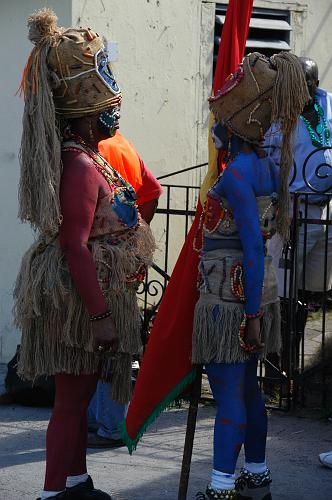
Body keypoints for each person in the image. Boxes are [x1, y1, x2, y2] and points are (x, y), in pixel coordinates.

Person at [14, 9, 155, 500]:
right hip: (78, 302)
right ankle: (54, 491)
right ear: (87, 113)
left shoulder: (92, 156)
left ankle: (77, 482)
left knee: (77, 397)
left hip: (92, 295)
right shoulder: (77, 167)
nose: (115, 116)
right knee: (70, 403)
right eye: (108, 110)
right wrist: (98, 315)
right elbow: (74, 246)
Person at [87, 132, 162, 448]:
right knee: (110, 342)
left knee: (103, 343)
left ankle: (111, 425)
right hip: (122, 261)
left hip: (101, 261)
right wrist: (133, 236)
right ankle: (99, 420)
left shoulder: (92, 149)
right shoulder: (122, 144)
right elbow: (153, 191)